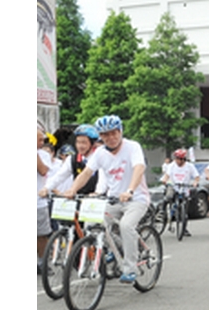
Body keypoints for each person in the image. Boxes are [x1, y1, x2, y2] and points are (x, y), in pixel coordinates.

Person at [63, 115, 151, 284]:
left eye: (114, 133)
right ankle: (116, 247)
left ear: (120, 132)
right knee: (92, 224)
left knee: (126, 225)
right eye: (105, 135)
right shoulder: (100, 153)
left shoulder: (132, 147)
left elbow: (138, 168)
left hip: (136, 198)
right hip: (113, 200)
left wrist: (130, 190)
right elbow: (87, 173)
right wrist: (72, 190)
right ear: (100, 137)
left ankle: (130, 268)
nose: (110, 138)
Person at [41, 124, 101, 198]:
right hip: (79, 198)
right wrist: (46, 188)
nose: (80, 146)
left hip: (99, 199)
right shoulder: (72, 159)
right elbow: (59, 176)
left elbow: (103, 180)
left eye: (84, 142)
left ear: (93, 144)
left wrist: (98, 192)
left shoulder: (100, 158)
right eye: (78, 142)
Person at [162, 148, 200, 237]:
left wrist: (195, 182)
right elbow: (167, 175)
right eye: (176, 159)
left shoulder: (189, 166)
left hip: (184, 187)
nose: (177, 161)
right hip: (174, 186)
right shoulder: (172, 166)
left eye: (179, 159)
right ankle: (162, 211)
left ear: (183, 159)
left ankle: (184, 228)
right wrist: (165, 180)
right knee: (168, 196)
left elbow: (196, 176)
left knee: (185, 210)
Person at [37, 123, 54, 273]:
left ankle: (43, 263)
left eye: (42, 140)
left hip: (38, 201)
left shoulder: (44, 155)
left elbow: (43, 171)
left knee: (41, 234)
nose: (41, 143)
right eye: (39, 140)